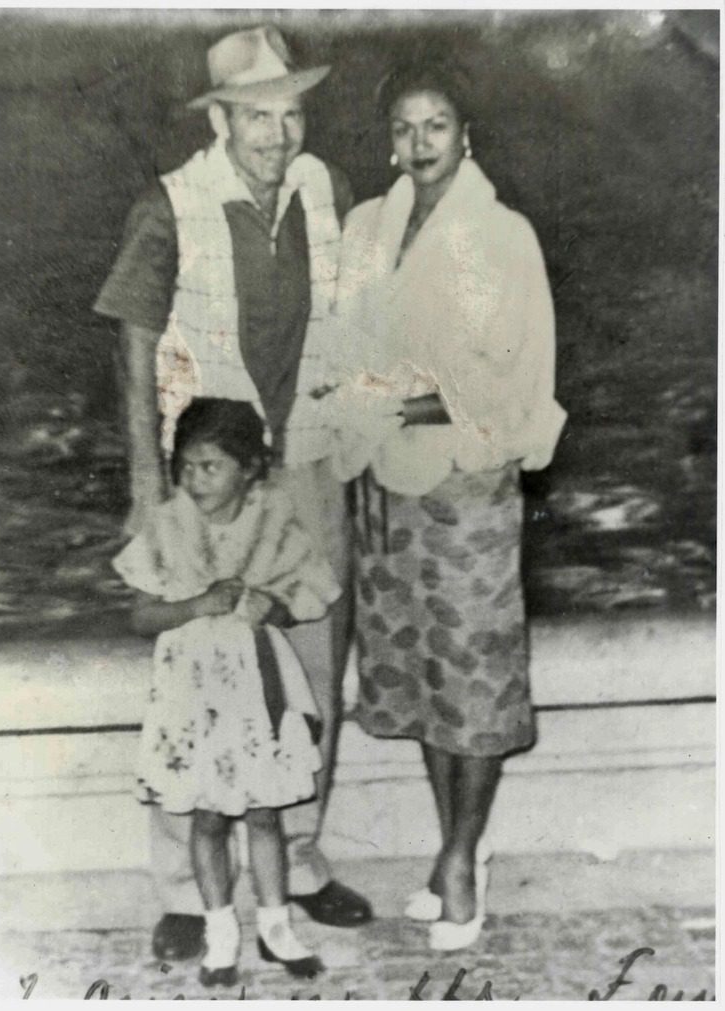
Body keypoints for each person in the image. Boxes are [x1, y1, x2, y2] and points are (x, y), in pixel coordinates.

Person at [94, 26, 371, 961]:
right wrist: (147, 483)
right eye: (259, 115)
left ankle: (294, 859)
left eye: (292, 113)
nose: (279, 133)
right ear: (221, 118)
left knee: (309, 665)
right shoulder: (170, 203)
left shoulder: (321, 186)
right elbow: (132, 340)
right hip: (211, 479)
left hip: (307, 460)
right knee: (196, 673)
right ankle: (183, 883)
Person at [331, 59, 567, 952]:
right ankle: (449, 846)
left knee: (473, 677)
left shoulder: (502, 235)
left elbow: (516, 378)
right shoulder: (366, 229)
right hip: (385, 483)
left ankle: (465, 858)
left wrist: (408, 397)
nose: (419, 144)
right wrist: (364, 399)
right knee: (426, 680)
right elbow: (346, 344)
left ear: (467, 135)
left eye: (437, 125)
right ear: (388, 139)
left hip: (466, 481)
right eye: (403, 127)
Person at [113, 399, 336, 986]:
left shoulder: (274, 523)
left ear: (250, 469)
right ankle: (219, 930)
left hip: (256, 692)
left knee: (265, 813)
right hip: (193, 695)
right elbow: (139, 617)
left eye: (210, 467)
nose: (194, 479)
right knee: (207, 818)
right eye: (185, 467)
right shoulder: (167, 526)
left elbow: (309, 596)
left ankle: (275, 925)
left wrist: (276, 607)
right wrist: (194, 605)